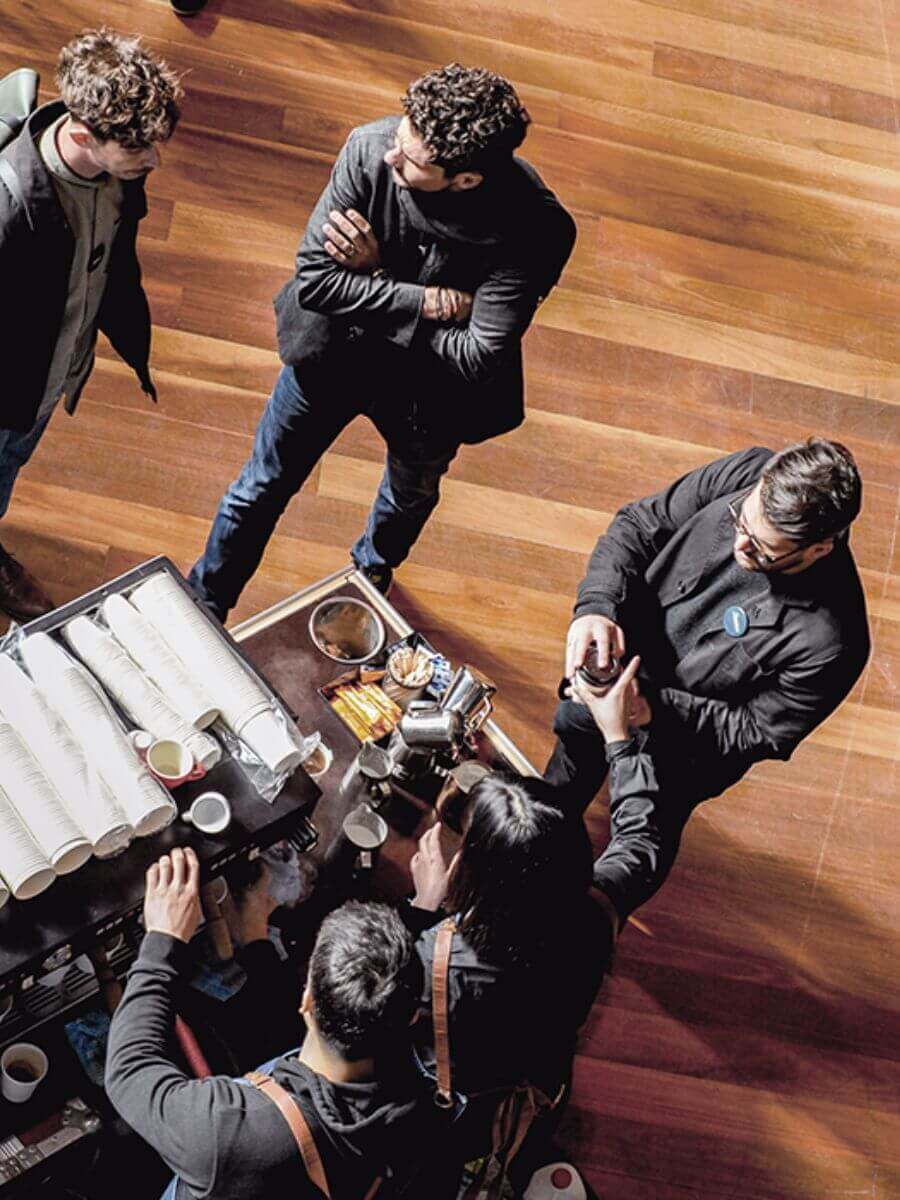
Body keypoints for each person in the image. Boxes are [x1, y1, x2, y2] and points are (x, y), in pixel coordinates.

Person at [189, 63, 576, 619]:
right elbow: (317, 281)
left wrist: (371, 280)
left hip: (432, 394)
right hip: (332, 356)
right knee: (260, 486)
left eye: (411, 158)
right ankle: (205, 602)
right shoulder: (371, 148)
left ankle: (371, 569)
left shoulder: (535, 227)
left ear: (465, 179)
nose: (392, 155)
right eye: (400, 135)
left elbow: (478, 355)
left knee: (407, 496)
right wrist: (425, 300)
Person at [547, 438, 870, 914]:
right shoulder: (751, 471)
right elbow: (639, 524)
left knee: (641, 845)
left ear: (820, 548)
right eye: (742, 519)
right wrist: (596, 605)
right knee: (563, 779)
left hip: (678, 750)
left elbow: (756, 732)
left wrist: (648, 708)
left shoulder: (833, 642)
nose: (739, 544)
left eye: (762, 549)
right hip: (611, 674)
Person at [106, 848, 438, 1199]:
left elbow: (129, 1069)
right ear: (412, 1017)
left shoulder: (231, 1134)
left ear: (307, 1000)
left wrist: (163, 939)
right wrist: (255, 938)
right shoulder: (418, 1104)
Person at [397, 764, 653, 1195]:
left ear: (476, 869)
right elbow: (641, 837)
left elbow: (380, 1008)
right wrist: (619, 742)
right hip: (535, 1090)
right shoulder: (593, 918)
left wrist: (423, 906)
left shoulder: (434, 961)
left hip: (457, 1112)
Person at [0, 29, 180, 621]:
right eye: (139, 151)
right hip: (7, 386)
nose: (153, 161)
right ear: (82, 135)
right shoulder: (8, 209)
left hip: (47, 377)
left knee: (7, 469)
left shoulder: (120, 170)